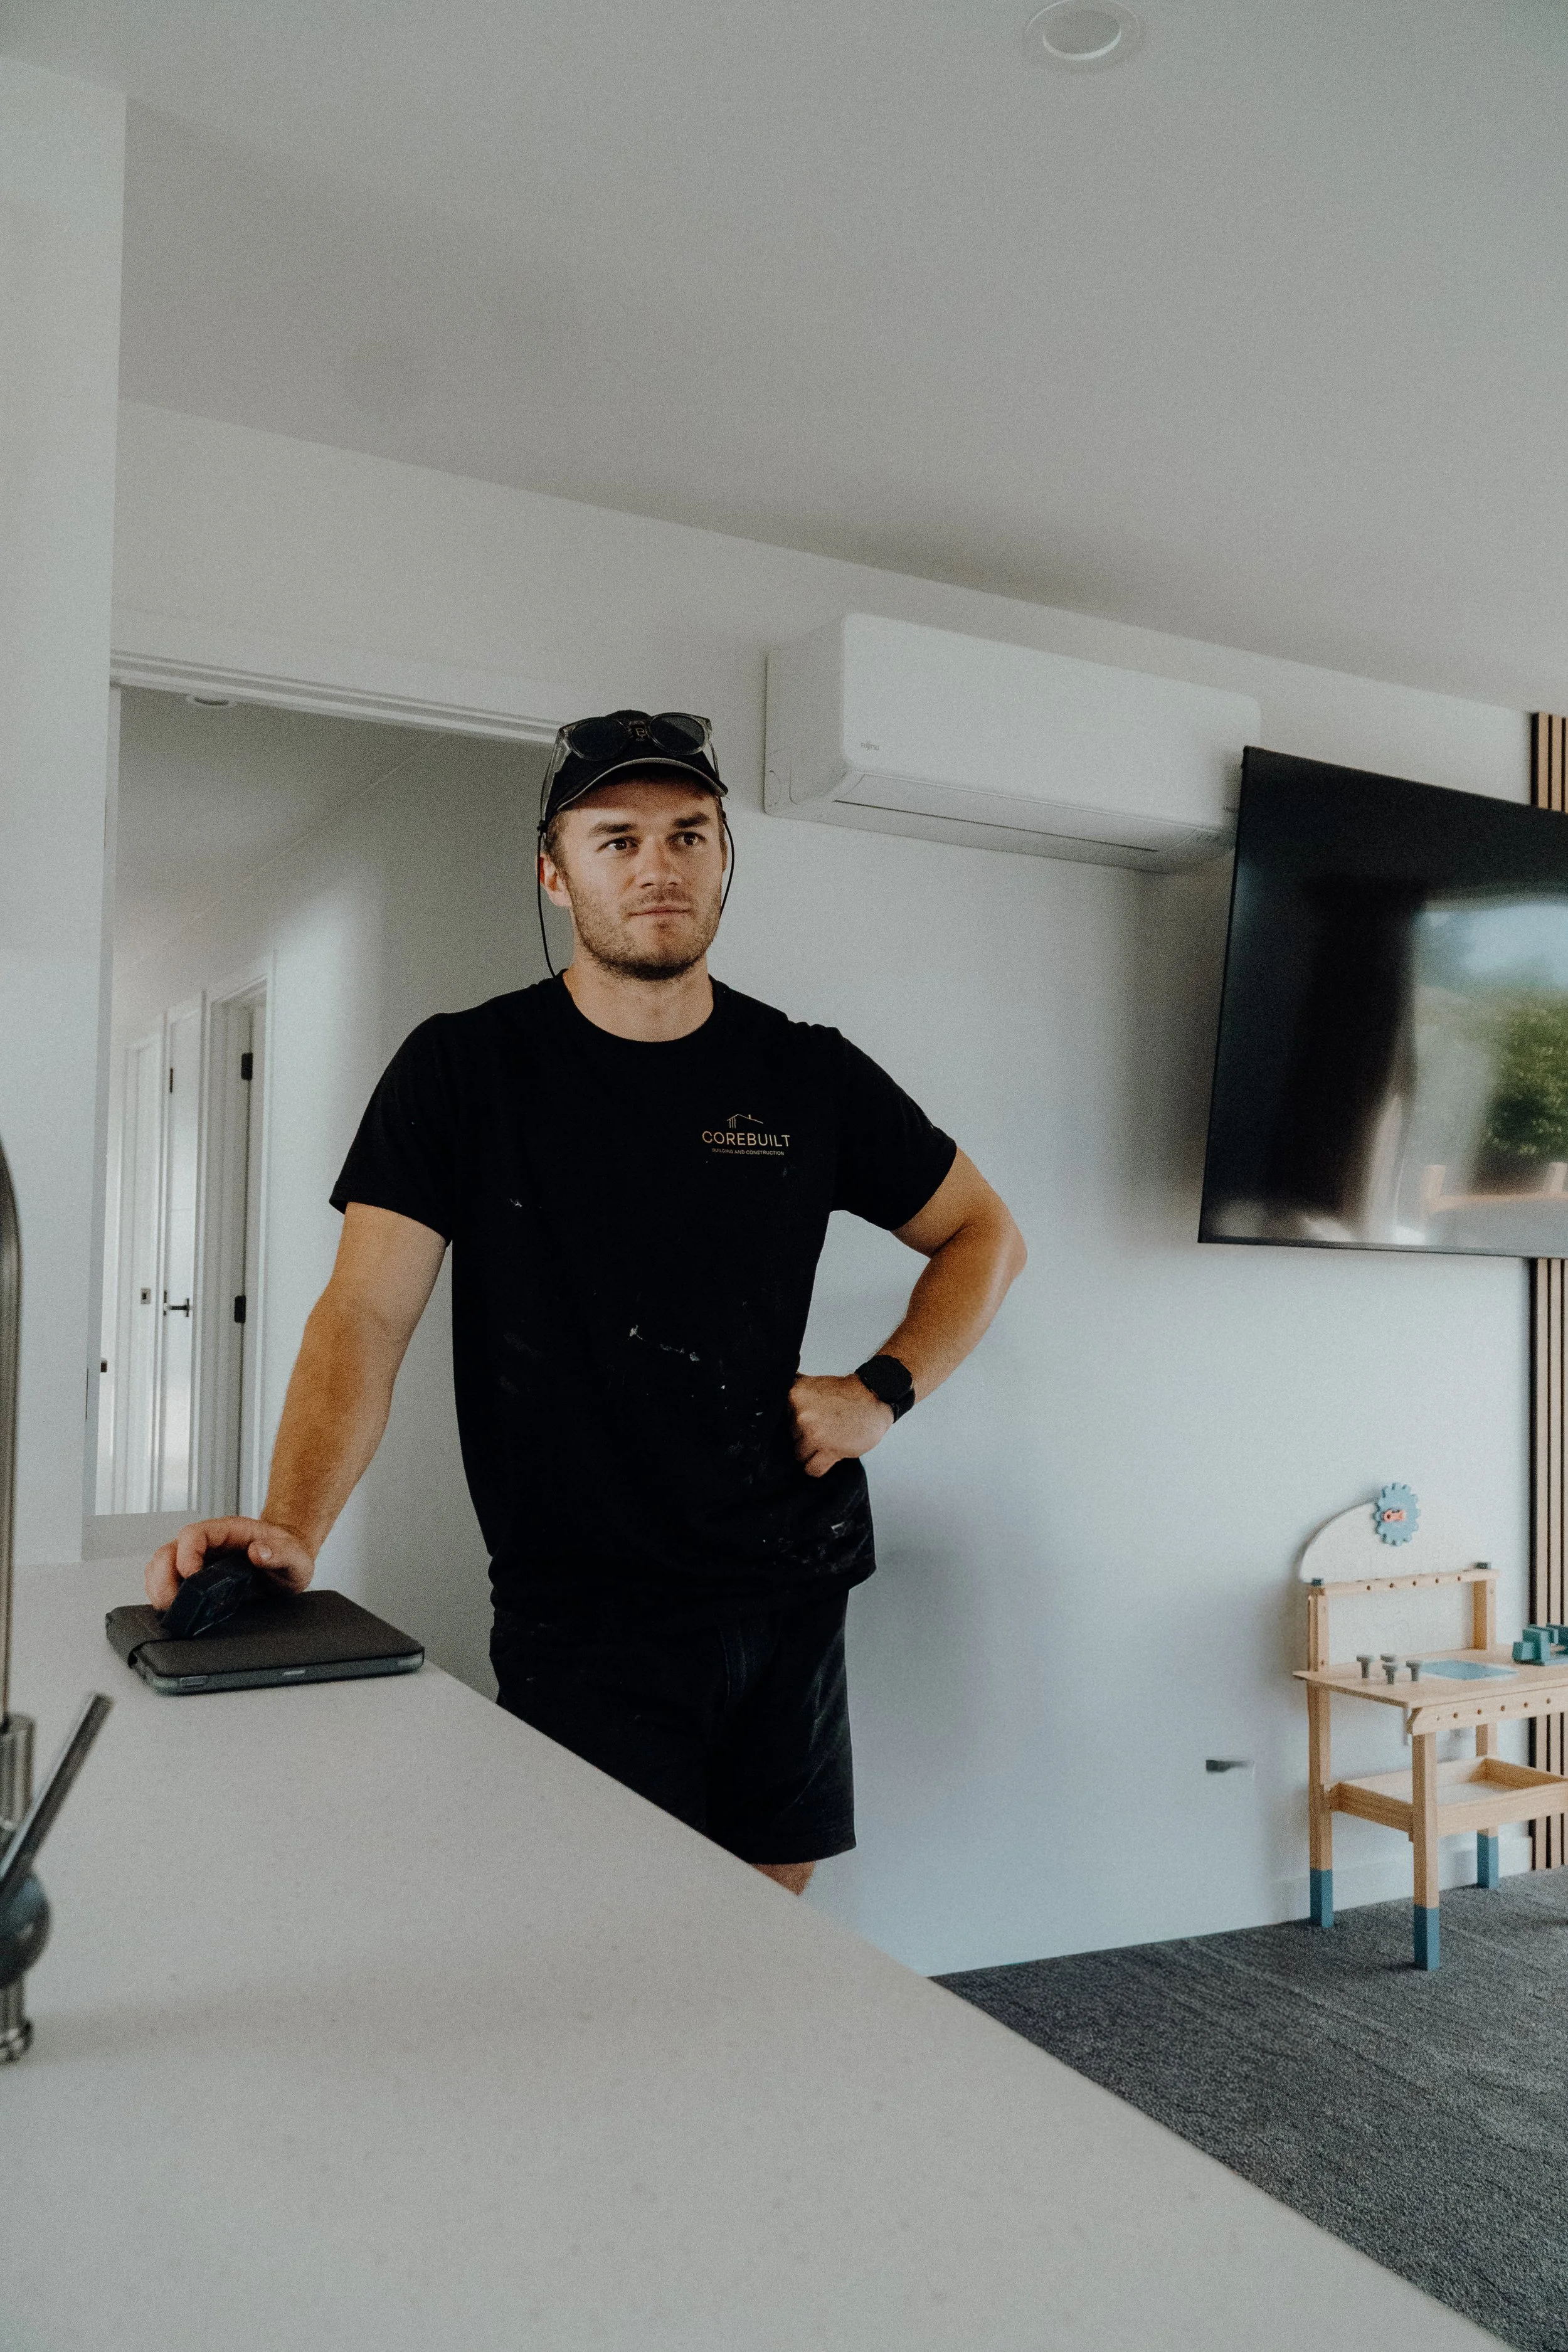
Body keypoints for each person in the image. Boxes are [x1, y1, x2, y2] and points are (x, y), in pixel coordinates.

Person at [148, 709, 1026, 1894]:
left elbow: (986, 1234)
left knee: (769, 1926)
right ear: (556, 874)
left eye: (689, 834)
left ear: (723, 859)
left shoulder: (806, 1073)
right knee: (606, 1931)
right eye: (616, 839)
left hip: (788, 1581)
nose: (658, 866)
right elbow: (363, 1314)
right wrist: (292, 1524)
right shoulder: (463, 1072)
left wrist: (883, 1389)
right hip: (587, 1612)